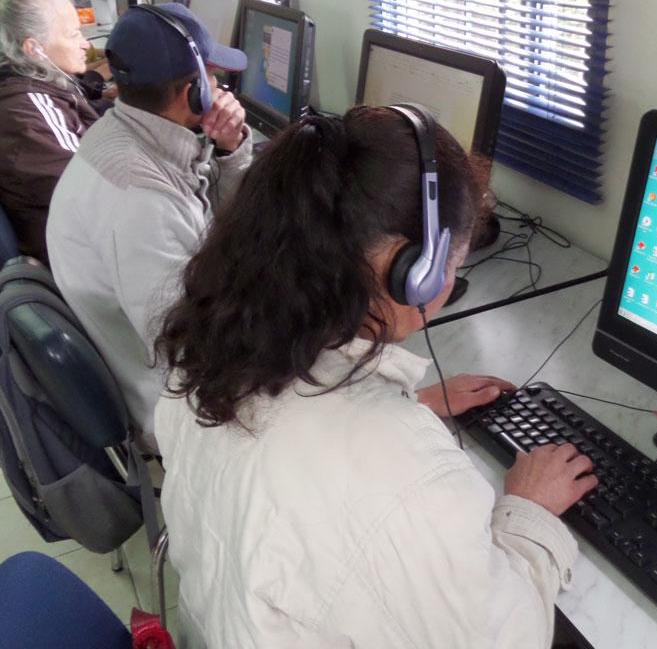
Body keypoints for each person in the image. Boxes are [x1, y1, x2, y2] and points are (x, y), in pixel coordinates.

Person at [152, 106, 598, 648]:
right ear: (412, 272)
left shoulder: (212, 348)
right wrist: (529, 512)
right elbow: (510, 637)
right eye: (453, 264)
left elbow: (299, 439)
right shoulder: (404, 478)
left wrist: (408, 402)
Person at [46, 3, 251, 444]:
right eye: (214, 78)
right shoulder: (139, 198)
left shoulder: (122, 132)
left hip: (162, 353)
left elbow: (202, 215)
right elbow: (194, 348)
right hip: (174, 404)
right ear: (194, 91)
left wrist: (230, 149)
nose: (220, 88)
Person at [0, 0, 97, 265]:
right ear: (35, 49)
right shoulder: (26, 112)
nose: (86, 44)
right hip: (79, 256)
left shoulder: (9, 84)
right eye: (73, 35)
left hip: (68, 238)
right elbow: (93, 193)